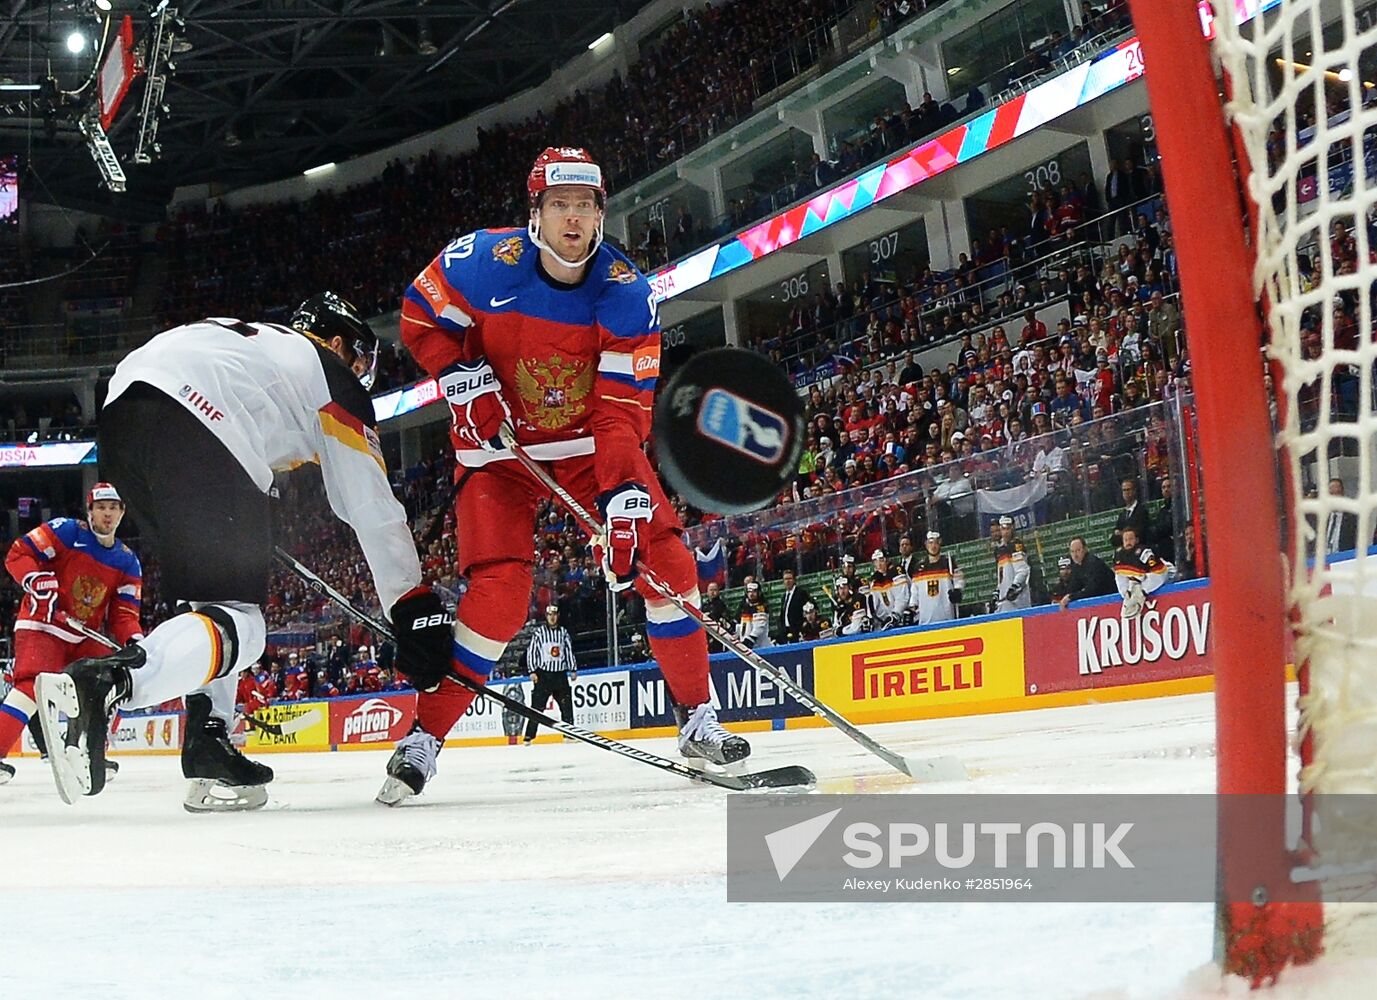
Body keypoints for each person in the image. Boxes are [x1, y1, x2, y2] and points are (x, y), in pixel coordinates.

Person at [397, 147, 748, 780]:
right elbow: (418, 318)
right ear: (535, 213)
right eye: (560, 204)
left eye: (585, 206)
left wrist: (623, 500)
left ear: (600, 215)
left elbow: (618, 416)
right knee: (500, 597)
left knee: (665, 559)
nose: (573, 219)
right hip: (498, 451)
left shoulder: (625, 296)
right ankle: (425, 736)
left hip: (589, 449)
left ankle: (697, 719)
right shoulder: (478, 262)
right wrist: (458, 376)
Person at [32, 292, 452, 811]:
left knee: (210, 609)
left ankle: (207, 737)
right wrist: (411, 604)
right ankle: (107, 683)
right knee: (244, 626)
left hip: (122, 416)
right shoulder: (329, 371)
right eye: (361, 361)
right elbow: (368, 502)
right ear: (338, 342)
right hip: (202, 423)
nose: (361, 375)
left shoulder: (257, 348)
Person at [0, 484, 143, 786]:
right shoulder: (66, 531)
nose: (107, 514)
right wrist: (36, 578)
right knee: (30, 687)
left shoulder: (128, 561)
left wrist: (133, 640)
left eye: (114, 508)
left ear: (122, 513)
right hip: (43, 624)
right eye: (101, 507)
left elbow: (124, 613)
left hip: (82, 635)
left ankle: (90, 753)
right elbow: (18, 553)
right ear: (89, 511)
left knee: (106, 684)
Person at [522, 605, 577, 745]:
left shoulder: (563, 633)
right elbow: (532, 652)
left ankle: (569, 734)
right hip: (544, 675)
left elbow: (568, 651)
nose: (552, 617)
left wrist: (572, 668)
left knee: (566, 706)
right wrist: (532, 671)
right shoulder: (539, 633)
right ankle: (529, 736)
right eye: (549, 615)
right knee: (536, 708)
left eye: (554, 614)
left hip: (560, 674)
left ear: (557, 616)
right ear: (546, 617)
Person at [1114, 527, 1175, 617]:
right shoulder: (1119, 556)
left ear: (1137, 540)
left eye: (1131, 539)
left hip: (1168, 573)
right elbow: (1120, 576)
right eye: (1125, 540)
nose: (1128, 542)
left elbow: (1160, 574)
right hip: (1141, 578)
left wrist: (1142, 591)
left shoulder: (1145, 553)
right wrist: (1126, 593)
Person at [910, 530, 963, 625]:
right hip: (925, 621)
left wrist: (958, 590)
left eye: (936, 542)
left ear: (940, 543)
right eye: (930, 543)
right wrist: (912, 606)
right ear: (926, 544)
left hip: (947, 619)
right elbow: (915, 591)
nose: (933, 546)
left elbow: (959, 580)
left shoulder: (949, 562)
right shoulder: (919, 567)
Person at [1059, 535, 1118, 608]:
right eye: (1072, 551)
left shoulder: (1093, 563)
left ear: (1085, 549)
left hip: (1113, 601)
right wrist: (1064, 598)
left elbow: (1092, 590)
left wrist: (1071, 597)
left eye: (1078, 550)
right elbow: (1073, 587)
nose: (1075, 555)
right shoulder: (1076, 567)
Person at [993, 516, 1032, 612]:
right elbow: (1001, 577)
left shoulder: (1017, 545)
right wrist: (997, 593)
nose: (1005, 532)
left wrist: (1015, 586)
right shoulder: (998, 550)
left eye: (1008, 528)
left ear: (1013, 528)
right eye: (1003, 528)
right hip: (1004, 601)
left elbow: (1023, 570)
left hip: (1018, 600)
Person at [864, 550, 909, 630]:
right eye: (875, 561)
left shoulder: (897, 571)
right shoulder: (875, 580)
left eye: (881, 560)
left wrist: (895, 615)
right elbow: (873, 604)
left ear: (887, 560)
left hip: (902, 619)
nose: (879, 564)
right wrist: (870, 618)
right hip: (886, 622)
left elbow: (903, 598)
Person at [1109, 478, 1150, 551]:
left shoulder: (1141, 511)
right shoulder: (1122, 514)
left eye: (1128, 489)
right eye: (1124, 490)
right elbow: (1114, 539)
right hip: (1125, 554)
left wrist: (1121, 533)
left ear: (1134, 491)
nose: (1126, 493)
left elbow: (1141, 533)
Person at [777, 567, 812, 643]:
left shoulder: (801, 593)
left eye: (789, 579)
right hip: (786, 631)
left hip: (798, 630)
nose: (787, 581)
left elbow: (809, 609)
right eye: (785, 579)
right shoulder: (784, 596)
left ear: (794, 580)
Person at [736, 580, 771, 649]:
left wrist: (750, 639)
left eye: (754, 591)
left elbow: (760, 627)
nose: (751, 594)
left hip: (759, 646)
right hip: (746, 645)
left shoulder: (761, 607)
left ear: (759, 592)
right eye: (749, 591)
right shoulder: (745, 606)